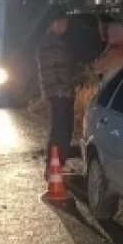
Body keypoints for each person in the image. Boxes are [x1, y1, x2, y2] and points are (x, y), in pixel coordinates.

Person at [37, 10, 76, 178]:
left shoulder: (60, 41)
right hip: (58, 92)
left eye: (65, 23)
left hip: (64, 91)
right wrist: (58, 89)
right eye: (60, 23)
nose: (64, 26)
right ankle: (53, 164)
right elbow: (47, 70)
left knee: (65, 128)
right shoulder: (49, 43)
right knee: (60, 129)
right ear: (52, 23)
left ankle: (59, 162)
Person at [89, 21, 123, 86]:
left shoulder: (112, 53)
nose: (103, 37)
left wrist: (107, 48)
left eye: (106, 34)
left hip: (110, 88)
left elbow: (95, 69)